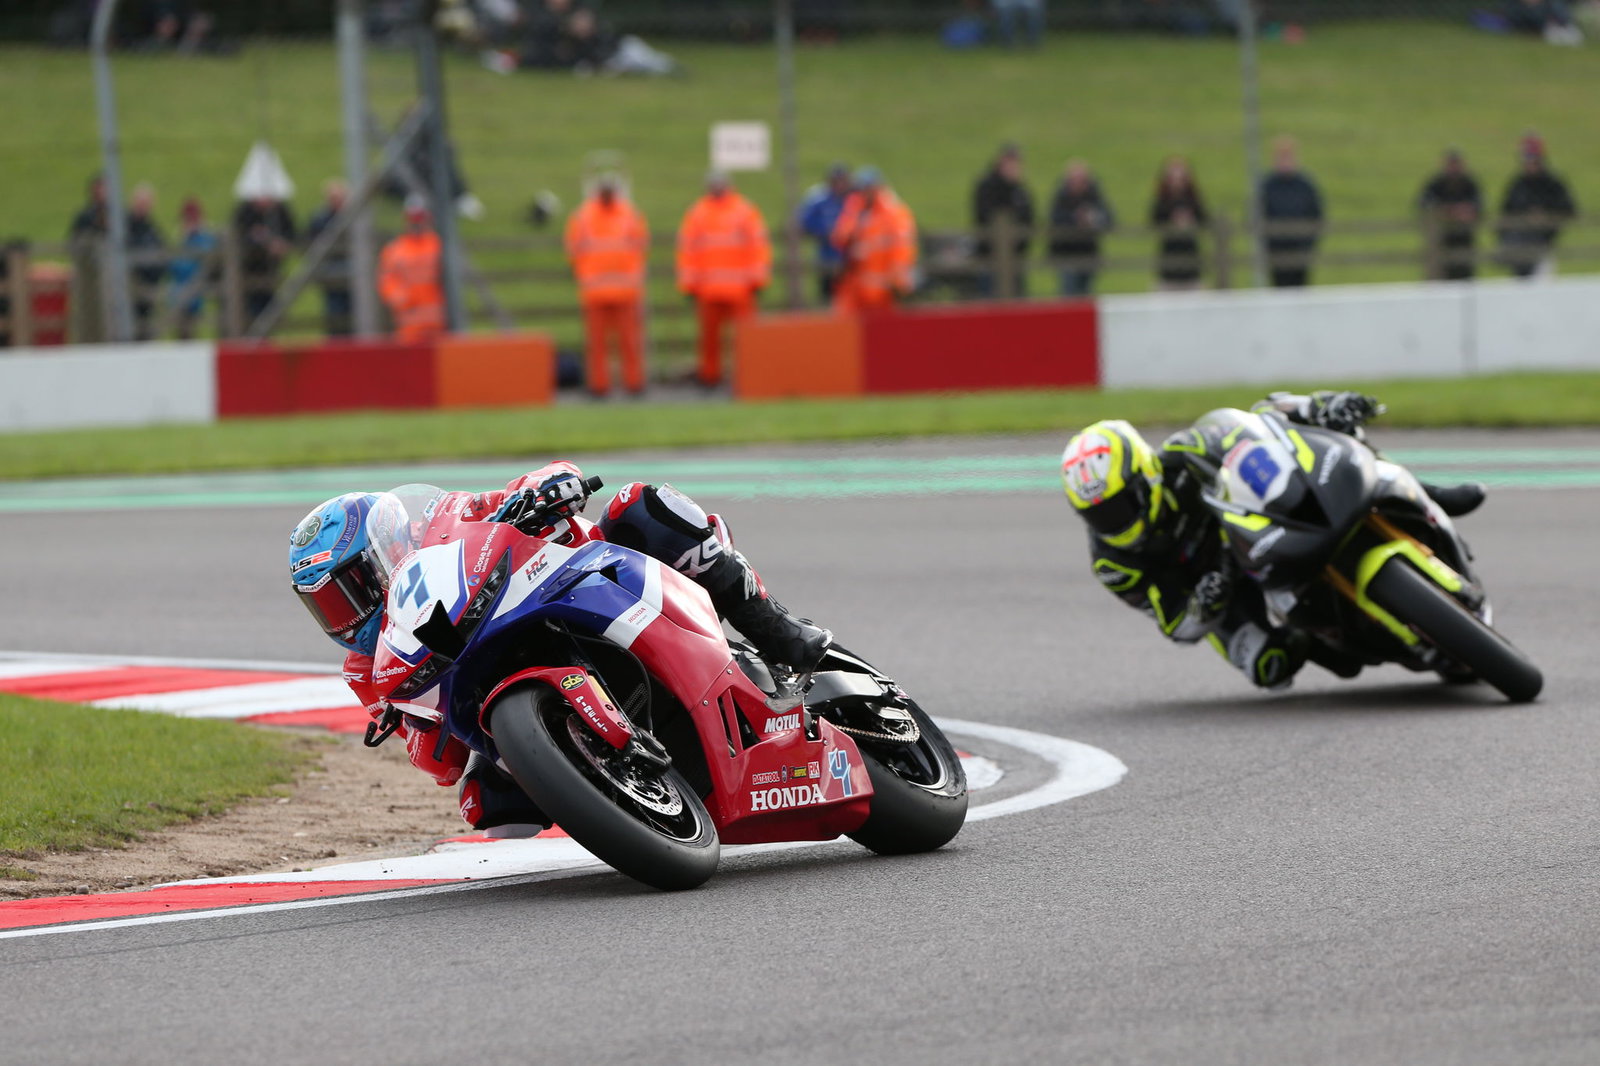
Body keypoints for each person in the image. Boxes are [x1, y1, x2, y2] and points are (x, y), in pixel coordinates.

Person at [287, 464, 831, 831]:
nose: (348, 615)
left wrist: (548, 489)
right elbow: (437, 762)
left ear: (386, 547)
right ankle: (613, 788)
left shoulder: (448, 517)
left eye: (352, 589)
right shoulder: (367, 670)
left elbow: (537, 483)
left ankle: (776, 630)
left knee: (641, 505)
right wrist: (423, 727)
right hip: (487, 685)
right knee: (488, 807)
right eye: (327, 606)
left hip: (578, 582)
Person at [1059, 392, 1488, 691]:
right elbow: (1172, 622)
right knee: (1268, 665)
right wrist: (1200, 607)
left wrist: (1317, 406)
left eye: (1119, 506)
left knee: (1339, 439)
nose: (1113, 522)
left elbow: (1263, 421)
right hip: (1222, 584)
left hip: (1264, 527)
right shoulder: (1112, 562)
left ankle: (1429, 495)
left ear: (1144, 476)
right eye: (1098, 514)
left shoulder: (1183, 455)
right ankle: (1317, 637)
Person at [676, 171, 770, 389]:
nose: (717, 188)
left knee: (746, 339)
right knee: (709, 340)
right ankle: (710, 377)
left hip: (740, 289)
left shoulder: (744, 211)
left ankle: (749, 376)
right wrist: (689, 285)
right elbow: (687, 251)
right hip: (708, 290)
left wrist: (758, 280)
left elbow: (758, 247)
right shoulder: (698, 214)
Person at [565, 174, 649, 397]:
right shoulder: (584, 217)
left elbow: (640, 248)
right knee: (597, 344)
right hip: (596, 292)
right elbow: (573, 249)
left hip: (624, 291)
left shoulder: (629, 215)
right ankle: (599, 386)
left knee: (629, 342)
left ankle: (634, 383)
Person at [829, 167, 918, 312]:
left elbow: (902, 250)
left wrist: (898, 281)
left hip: (884, 290)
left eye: (866, 189)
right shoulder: (856, 210)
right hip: (856, 287)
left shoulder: (894, 214)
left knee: (883, 330)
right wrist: (854, 215)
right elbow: (839, 238)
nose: (862, 194)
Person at [1497, 134, 1576, 279]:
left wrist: (1546, 217)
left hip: (1543, 247)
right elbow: (1504, 214)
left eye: (1532, 160)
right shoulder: (1517, 184)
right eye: (1526, 160)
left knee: (1542, 287)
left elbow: (1569, 209)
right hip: (1519, 250)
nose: (1529, 164)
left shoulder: (1552, 183)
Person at [378, 195, 446, 344]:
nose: (417, 222)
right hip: (409, 324)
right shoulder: (395, 249)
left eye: (420, 218)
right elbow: (387, 282)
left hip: (439, 322)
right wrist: (400, 298)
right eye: (414, 218)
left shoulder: (438, 245)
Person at [971, 142, 1035, 297]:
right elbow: (984, 217)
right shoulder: (987, 186)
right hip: (990, 257)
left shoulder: (1020, 190)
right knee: (990, 301)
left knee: (1017, 300)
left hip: (1016, 258)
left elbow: (1029, 218)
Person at [1259, 136, 1324, 288]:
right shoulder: (1267, 186)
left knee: (1300, 289)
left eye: (1288, 157)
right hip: (1276, 251)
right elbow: (1257, 215)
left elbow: (1316, 214)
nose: (1285, 161)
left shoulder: (1305, 185)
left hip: (1300, 249)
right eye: (1281, 157)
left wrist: (1308, 242)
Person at [1047, 159, 1115, 296]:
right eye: (1075, 180)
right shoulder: (1061, 197)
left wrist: (1093, 218)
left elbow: (1109, 219)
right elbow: (1055, 220)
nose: (1078, 183)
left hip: (1088, 254)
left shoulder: (1094, 195)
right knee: (1069, 293)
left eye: (1082, 180)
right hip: (1066, 255)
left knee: (1085, 294)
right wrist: (1075, 219)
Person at [1417, 149, 1482, 281]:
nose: (1453, 168)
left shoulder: (1469, 184)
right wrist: (1447, 211)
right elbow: (1423, 202)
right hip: (1442, 239)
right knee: (1442, 276)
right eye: (1451, 164)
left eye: (1456, 164)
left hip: (1464, 239)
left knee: (1464, 274)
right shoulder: (1437, 183)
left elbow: (1479, 205)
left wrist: (1467, 211)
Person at [232, 192, 296, 325]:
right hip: (248, 271)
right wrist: (258, 241)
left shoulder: (279, 212)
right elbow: (238, 238)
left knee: (269, 309)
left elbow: (291, 234)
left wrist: (282, 244)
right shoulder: (245, 212)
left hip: (271, 271)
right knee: (250, 309)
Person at [1150, 156, 1208, 291]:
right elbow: (1154, 221)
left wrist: (1191, 221)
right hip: (1169, 257)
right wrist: (1172, 222)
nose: (1177, 181)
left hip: (1191, 257)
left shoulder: (1193, 198)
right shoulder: (1162, 199)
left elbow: (1204, 219)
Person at [797, 163, 852, 303]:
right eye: (836, 181)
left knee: (849, 293)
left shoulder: (854, 198)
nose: (839, 185)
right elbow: (803, 220)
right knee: (827, 292)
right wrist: (824, 231)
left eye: (842, 180)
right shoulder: (819, 198)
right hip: (827, 253)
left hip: (850, 255)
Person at [305, 179, 353, 337]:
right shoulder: (320, 219)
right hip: (330, 271)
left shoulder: (352, 218)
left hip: (350, 270)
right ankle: (337, 339)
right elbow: (310, 244)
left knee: (353, 309)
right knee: (335, 310)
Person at [168, 197, 217, 341]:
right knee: (183, 333)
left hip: (194, 294)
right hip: (181, 294)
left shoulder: (204, 240)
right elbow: (175, 266)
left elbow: (187, 268)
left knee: (190, 332)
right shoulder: (184, 240)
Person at [125, 183, 167, 341]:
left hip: (149, 289)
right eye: (141, 203)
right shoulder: (126, 226)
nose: (144, 207)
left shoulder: (152, 229)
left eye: (147, 203)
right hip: (130, 290)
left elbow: (164, 253)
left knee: (146, 330)